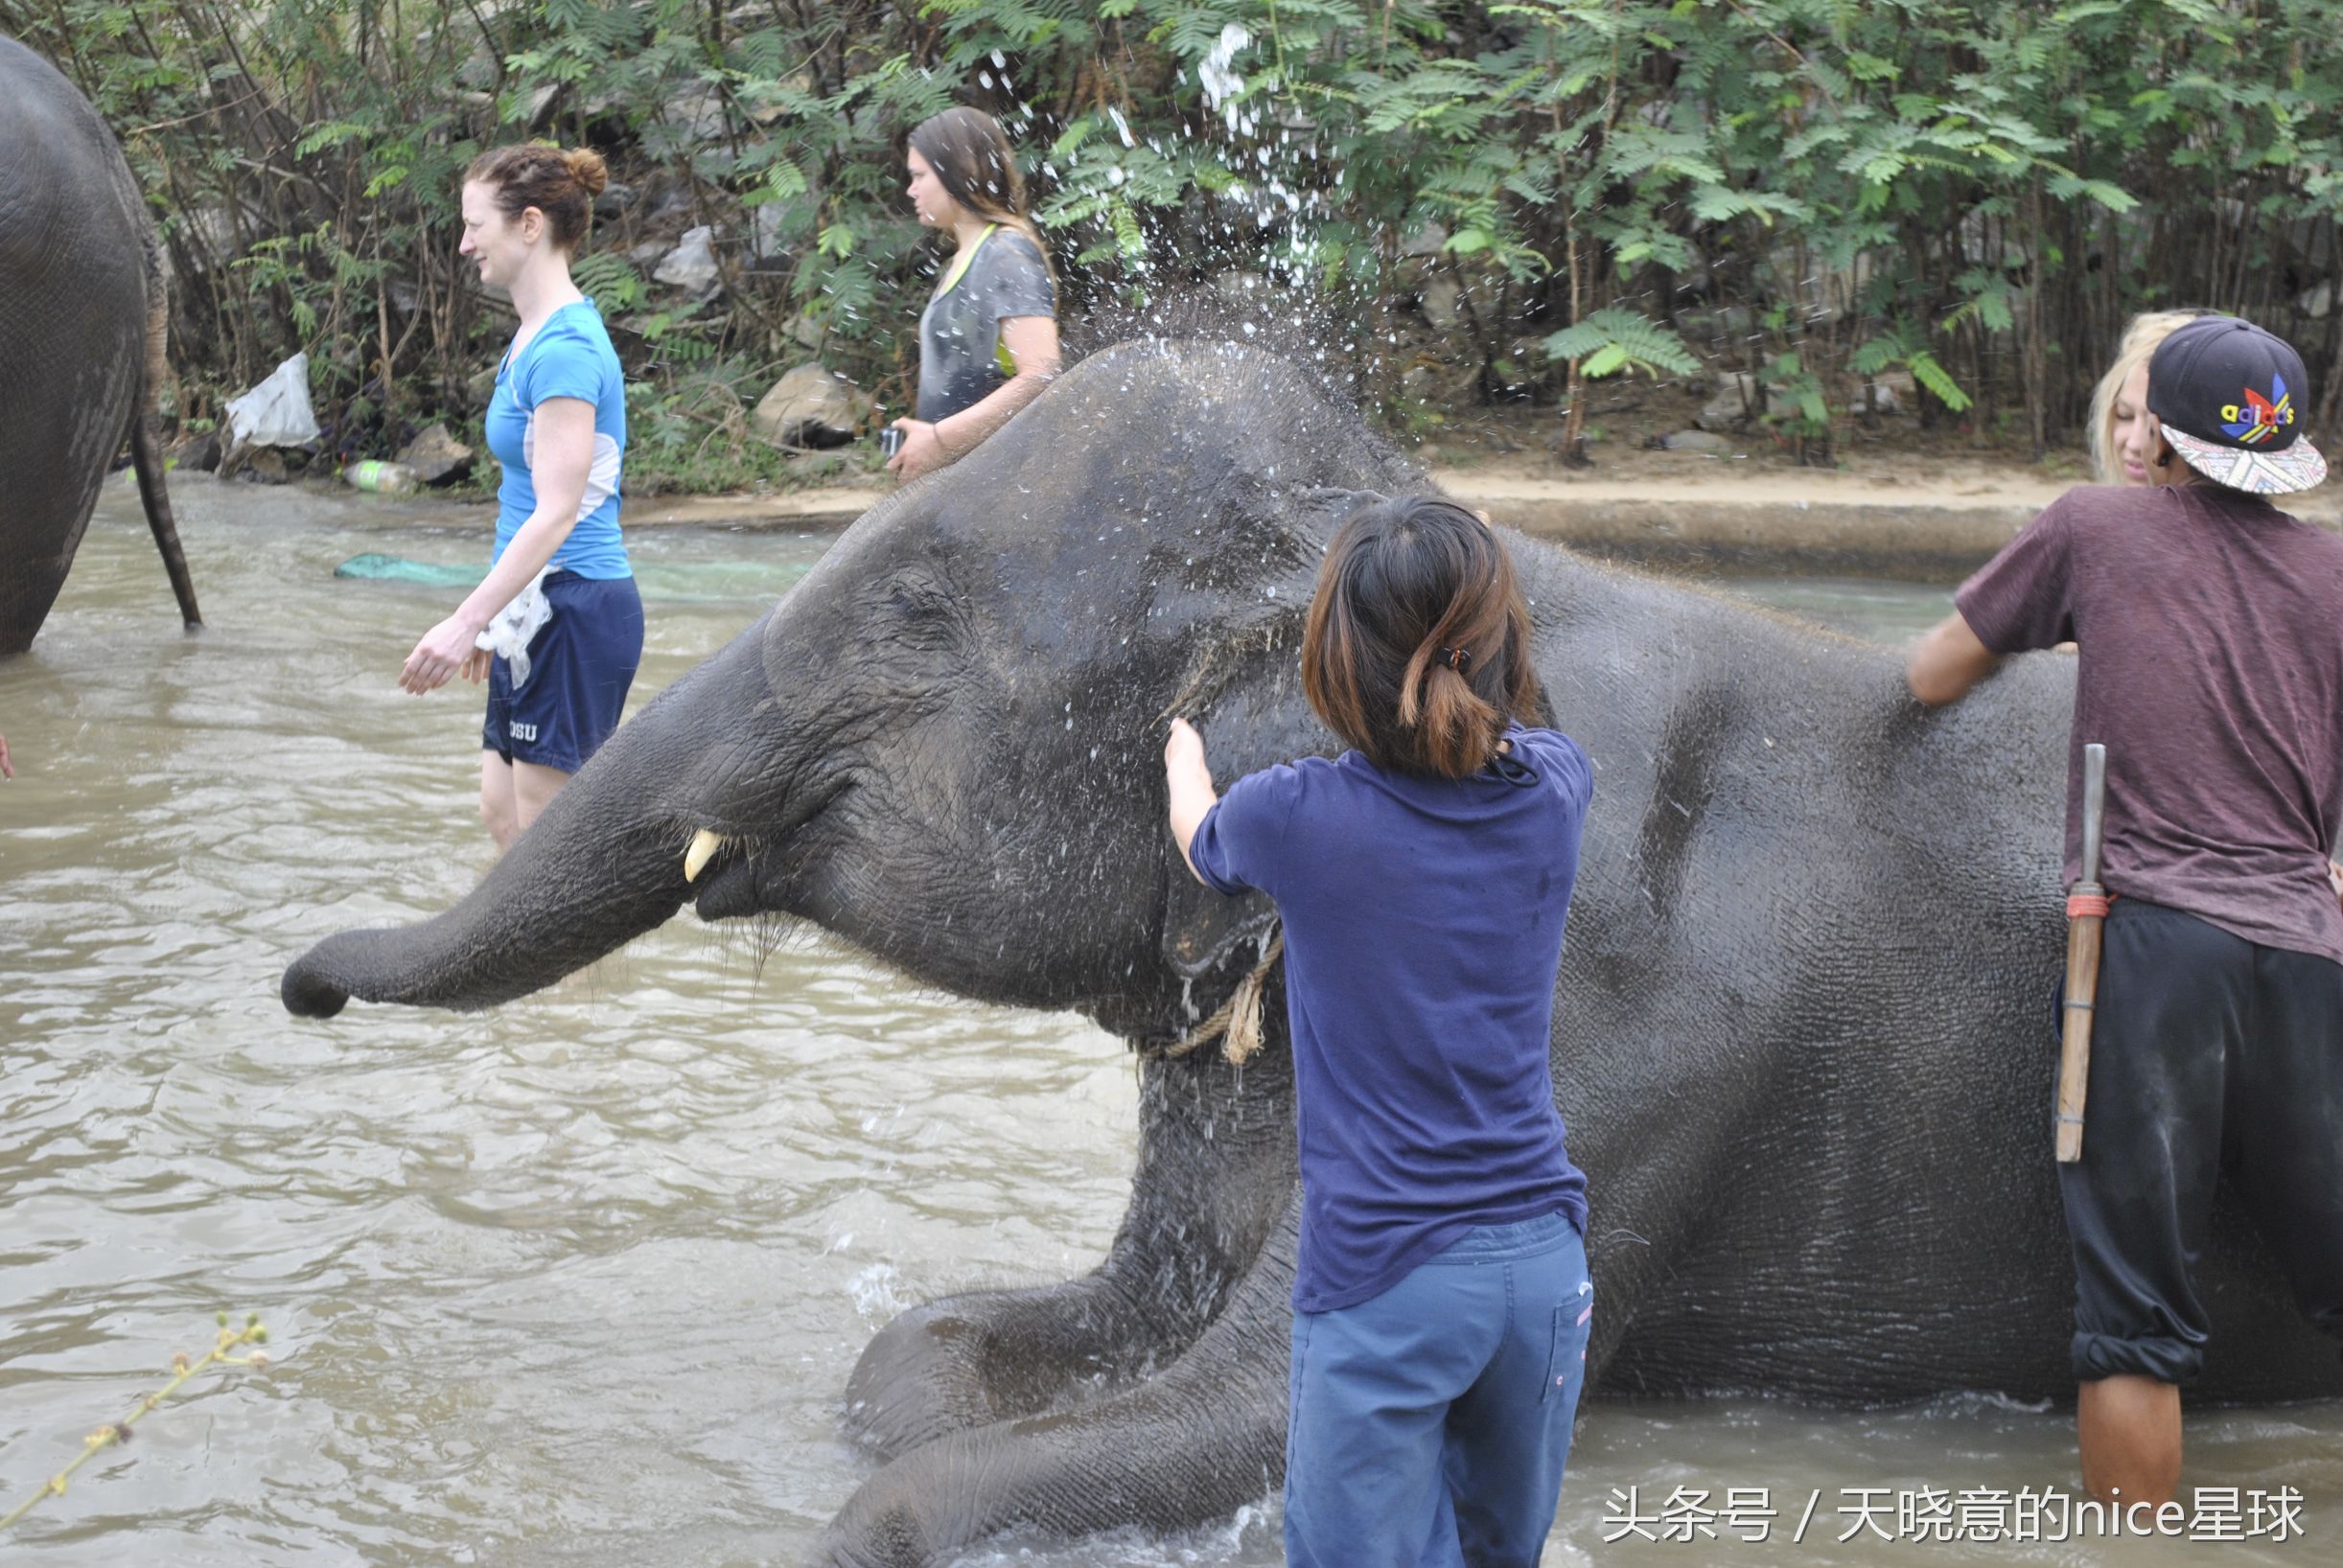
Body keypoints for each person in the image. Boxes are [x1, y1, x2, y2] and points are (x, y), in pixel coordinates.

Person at [1905, 316, 2337, 1509]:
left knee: (2135, 1322)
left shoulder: (2093, 527)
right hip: (2310, 951)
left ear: (2162, 433)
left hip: (2148, 954)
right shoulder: (2334, 571)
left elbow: (1933, 670)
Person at [1162, 496, 1595, 1568]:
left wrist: (1180, 751)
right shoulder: (1556, 792)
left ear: (1333, 662)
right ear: (1496, 645)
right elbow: (1523, 717)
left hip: (1389, 1278)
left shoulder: (1292, 816)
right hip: (1542, 1270)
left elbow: (1199, 841)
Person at [400, 143, 641, 852]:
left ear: (529, 225)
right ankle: (548, 968)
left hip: (575, 607)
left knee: (546, 845)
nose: (465, 242)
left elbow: (559, 512)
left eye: (477, 224)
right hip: (533, 606)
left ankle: (589, 966)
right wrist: (497, 617)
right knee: (501, 814)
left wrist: (464, 618)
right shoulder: (531, 336)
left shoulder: (566, 348)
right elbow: (523, 495)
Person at [887, 106, 1059, 480]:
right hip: (964, 485)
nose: (910, 189)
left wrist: (939, 438)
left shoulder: (1005, 252)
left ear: (958, 172)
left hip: (999, 488)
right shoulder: (968, 257)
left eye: (919, 176)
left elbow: (1042, 372)